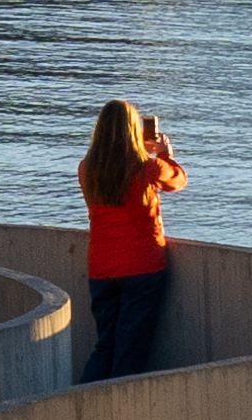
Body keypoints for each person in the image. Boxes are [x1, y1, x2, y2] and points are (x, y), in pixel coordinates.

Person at [79, 97, 185, 381]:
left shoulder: (87, 169)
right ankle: (118, 411)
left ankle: (82, 402)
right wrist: (164, 153)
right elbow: (177, 180)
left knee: (105, 346)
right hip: (142, 267)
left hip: (101, 268)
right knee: (130, 349)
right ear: (133, 131)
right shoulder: (147, 169)